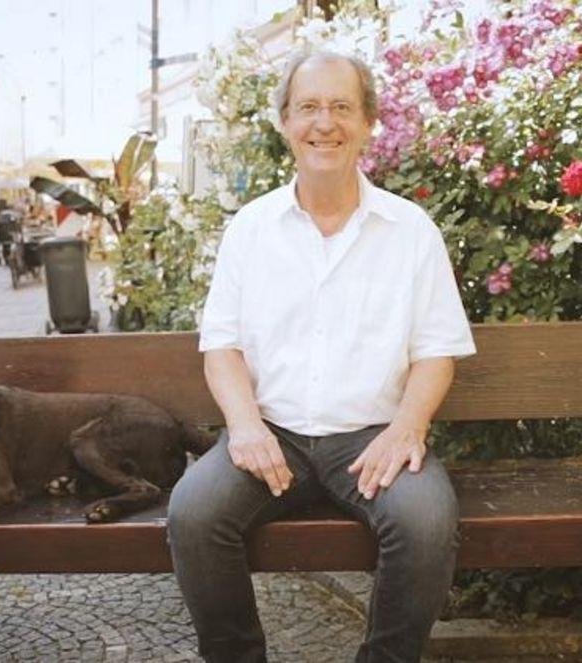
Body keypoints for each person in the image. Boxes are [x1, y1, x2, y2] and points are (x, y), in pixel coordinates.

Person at [167, 51, 477, 663]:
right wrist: (245, 426)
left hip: (371, 440)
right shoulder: (251, 230)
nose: (324, 123)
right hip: (271, 435)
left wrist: (407, 427)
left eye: (342, 107)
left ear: (368, 124)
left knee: (426, 522)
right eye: (308, 107)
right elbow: (221, 347)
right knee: (194, 514)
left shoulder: (411, 230)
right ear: (284, 121)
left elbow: (437, 352)